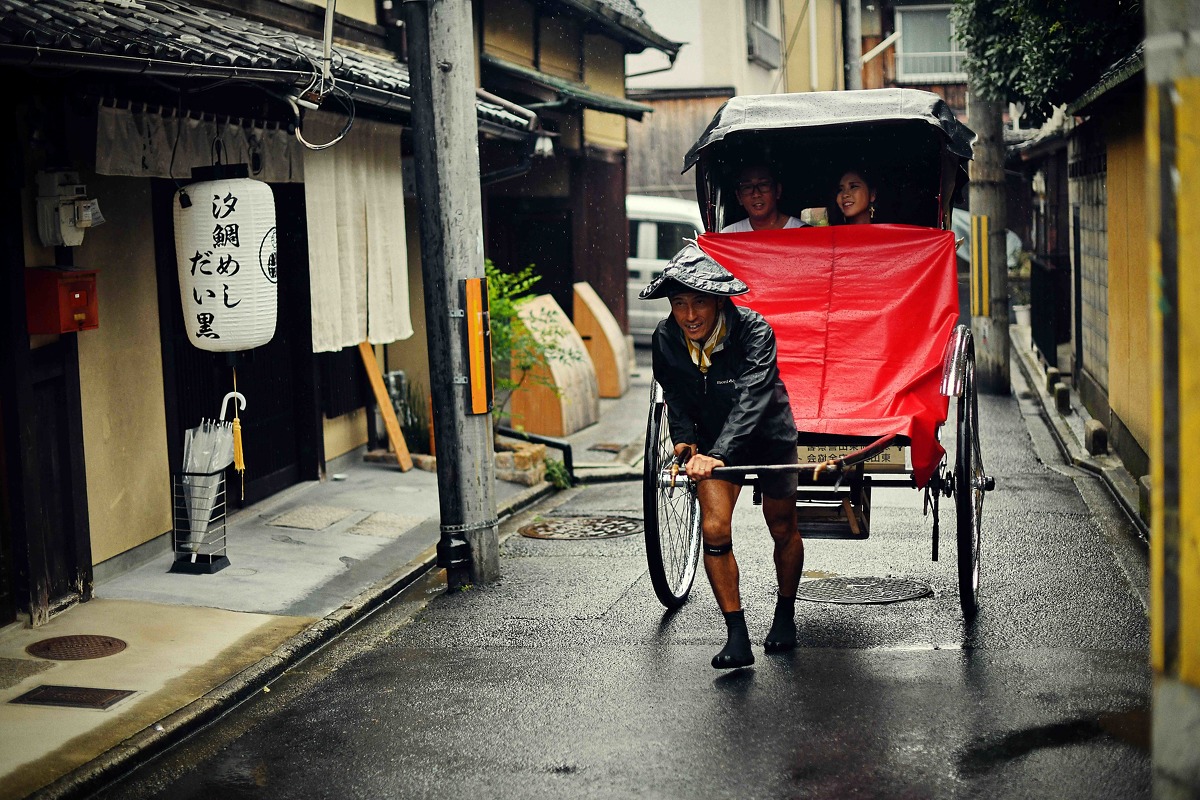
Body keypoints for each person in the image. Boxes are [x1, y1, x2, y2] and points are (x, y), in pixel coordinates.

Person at [640, 244, 804, 669]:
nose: (689, 315)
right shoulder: (665, 337)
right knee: (713, 529)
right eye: (679, 304)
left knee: (782, 525)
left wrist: (717, 453)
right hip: (713, 441)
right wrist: (682, 438)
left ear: (718, 300)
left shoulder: (755, 331)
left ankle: (784, 615)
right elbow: (672, 390)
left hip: (768, 434)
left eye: (698, 302)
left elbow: (753, 397)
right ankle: (737, 634)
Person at [721, 164, 807, 233]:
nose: (756, 194)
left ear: (777, 191)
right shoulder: (729, 234)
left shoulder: (802, 232)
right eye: (747, 187)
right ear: (739, 197)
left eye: (763, 185)